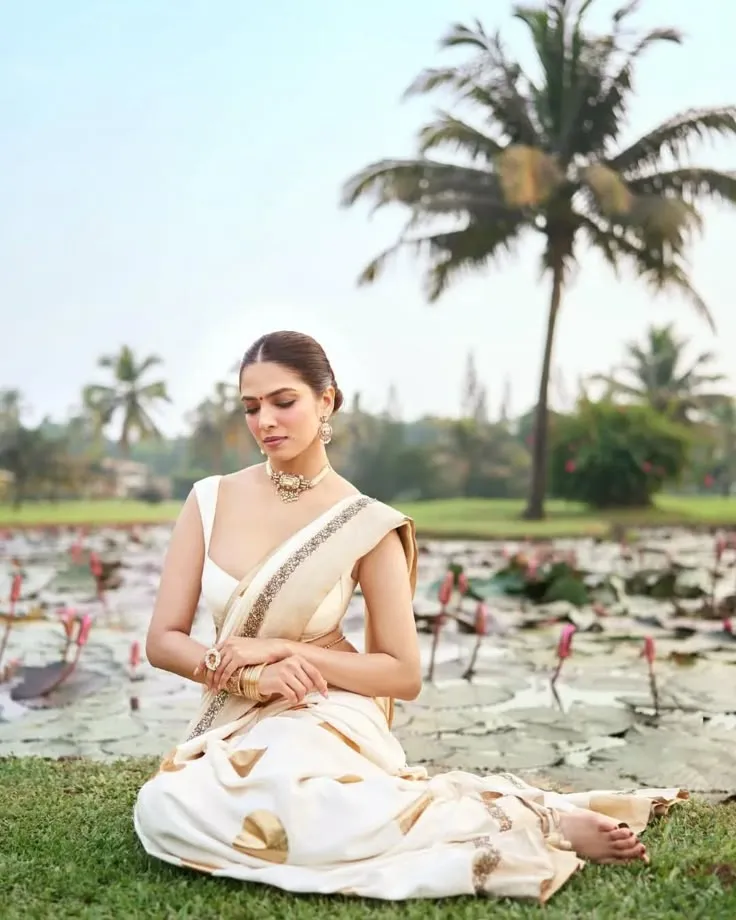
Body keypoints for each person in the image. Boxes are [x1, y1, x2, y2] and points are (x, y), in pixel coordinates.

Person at [134, 330, 686, 902]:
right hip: (236, 713)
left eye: (283, 401)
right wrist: (254, 676)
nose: (265, 421)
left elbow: (401, 674)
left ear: (326, 401)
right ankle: (520, 816)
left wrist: (285, 650)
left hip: (321, 707)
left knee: (295, 799)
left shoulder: (366, 522)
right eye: (251, 407)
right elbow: (163, 640)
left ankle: (541, 821)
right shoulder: (209, 500)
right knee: (165, 804)